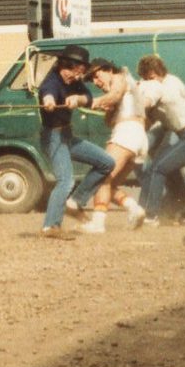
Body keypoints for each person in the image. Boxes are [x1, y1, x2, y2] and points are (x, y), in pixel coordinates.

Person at [35, 46, 114, 240]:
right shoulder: (52, 80)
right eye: (74, 72)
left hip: (67, 136)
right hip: (53, 137)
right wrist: (49, 101)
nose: (77, 77)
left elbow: (87, 97)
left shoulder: (75, 81)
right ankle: (50, 227)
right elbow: (47, 92)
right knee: (66, 180)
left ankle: (76, 201)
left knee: (107, 163)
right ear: (65, 66)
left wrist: (78, 99)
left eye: (79, 73)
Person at [136, 55, 185, 227]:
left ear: (158, 73)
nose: (151, 81)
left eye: (151, 77)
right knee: (169, 168)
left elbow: (147, 102)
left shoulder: (158, 88)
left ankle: (150, 217)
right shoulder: (174, 81)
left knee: (157, 168)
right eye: (147, 78)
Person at [83, 60, 150, 232]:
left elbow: (115, 95)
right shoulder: (123, 87)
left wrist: (92, 101)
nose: (96, 82)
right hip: (138, 137)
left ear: (109, 70)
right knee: (110, 185)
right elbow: (109, 120)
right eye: (93, 80)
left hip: (127, 133)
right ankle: (135, 209)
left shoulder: (120, 77)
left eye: (97, 76)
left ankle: (98, 223)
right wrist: (108, 109)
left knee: (101, 176)